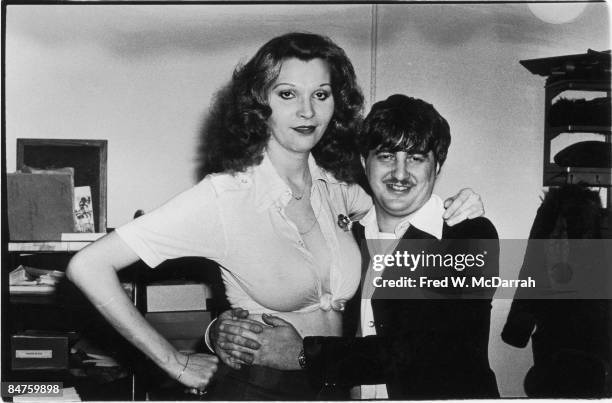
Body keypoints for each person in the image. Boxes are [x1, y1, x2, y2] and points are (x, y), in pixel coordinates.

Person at [66, 33, 483, 400]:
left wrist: (456, 207)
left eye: (321, 94)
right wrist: (176, 361)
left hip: (337, 384)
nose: (307, 112)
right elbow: (88, 266)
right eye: (287, 94)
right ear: (258, 102)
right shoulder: (223, 195)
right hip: (258, 388)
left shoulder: (340, 188)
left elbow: (401, 203)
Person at [213, 94, 500, 399]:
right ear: (365, 162)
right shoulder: (347, 238)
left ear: (437, 166)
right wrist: (221, 331)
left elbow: (431, 350)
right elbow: (274, 291)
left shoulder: (470, 234)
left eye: (416, 158)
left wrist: (303, 354)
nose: (399, 173)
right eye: (386, 156)